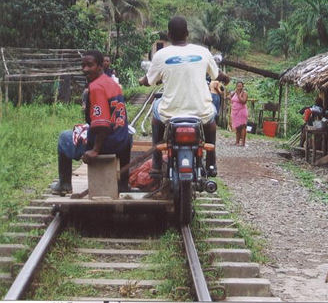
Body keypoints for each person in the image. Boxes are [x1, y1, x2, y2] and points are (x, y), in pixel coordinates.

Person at [139, 16, 230, 178]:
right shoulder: (203, 52)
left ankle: (156, 162)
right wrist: (225, 77)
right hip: (199, 111)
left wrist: (142, 80)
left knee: (155, 112)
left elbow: (149, 81)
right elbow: (217, 74)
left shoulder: (161, 55)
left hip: (170, 112)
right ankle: (211, 161)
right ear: (187, 33)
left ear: (168, 34)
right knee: (210, 121)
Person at [51, 50, 132, 195]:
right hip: (121, 141)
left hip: (107, 143)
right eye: (83, 65)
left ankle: (64, 184)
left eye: (89, 65)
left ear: (100, 66)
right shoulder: (113, 84)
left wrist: (95, 150)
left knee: (64, 137)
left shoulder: (96, 87)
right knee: (128, 133)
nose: (85, 69)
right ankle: (124, 183)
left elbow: (101, 125)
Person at [230, 81, 248, 146]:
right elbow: (230, 98)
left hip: (242, 111)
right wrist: (233, 94)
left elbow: (243, 101)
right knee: (237, 127)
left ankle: (243, 143)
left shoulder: (244, 93)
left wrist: (238, 95)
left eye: (240, 86)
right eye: (238, 86)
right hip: (235, 112)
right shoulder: (234, 93)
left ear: (242, 86)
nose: (239, 87)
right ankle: (237, 142)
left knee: (243, 126)